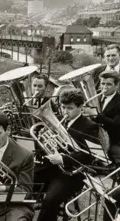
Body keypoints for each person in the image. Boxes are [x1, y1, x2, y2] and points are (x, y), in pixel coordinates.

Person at [35, 89, 102, 221]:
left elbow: (91, 156)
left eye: (70, 108)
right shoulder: (57, 120)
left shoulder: (90, 126)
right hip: (50, 167)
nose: (65, 112)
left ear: (80, 107)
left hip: (72, 173)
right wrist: (40, 139)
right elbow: (42, 148)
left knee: (50, 200)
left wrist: (63, 159)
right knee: (22, 185)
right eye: (63, 107)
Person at [92, 70, 120, 182]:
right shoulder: (95, 97)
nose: (105, 87)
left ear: (116, 85)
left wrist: (97, 116)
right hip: (94, 138)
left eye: (109, 84)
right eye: (103, 83)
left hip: (114, 139)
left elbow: (117, 125)